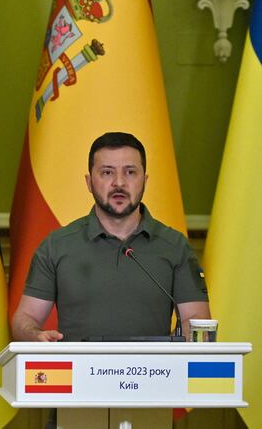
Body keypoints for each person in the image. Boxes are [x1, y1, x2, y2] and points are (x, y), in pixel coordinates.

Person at [11, 132, 209, 342]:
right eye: (107, 172)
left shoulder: (175, 246)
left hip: (153, 364)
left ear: (145, 180)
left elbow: (197, 321)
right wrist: (36, 335)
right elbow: (25, 319)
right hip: (77, 364)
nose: (119, 183)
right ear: (89, 182)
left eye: (130, 172)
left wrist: (171, 350)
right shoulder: (56, 246)